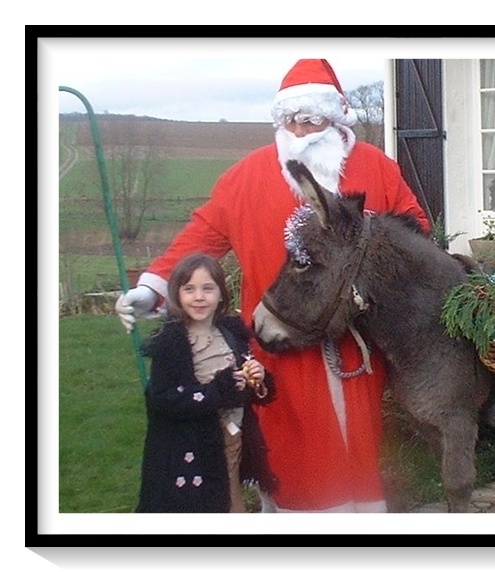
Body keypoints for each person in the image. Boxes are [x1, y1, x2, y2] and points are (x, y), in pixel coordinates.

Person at [117, 59, 431, 513]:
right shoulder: (247, 175)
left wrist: (371, 243)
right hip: (277, 343)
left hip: (355, 342)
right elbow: (202, 235)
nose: (300, 130)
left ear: (333, 117)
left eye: (310, 119)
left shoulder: (377, 168)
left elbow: (414, 231)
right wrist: (153, 288)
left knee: (359, 446)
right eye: (290, 119)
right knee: (290, 453)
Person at [135, 253, 277, 513]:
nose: (199, 297)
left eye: (207, 289)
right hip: (192, 448)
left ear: (221, 294)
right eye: (189, 289)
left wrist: (256, 378)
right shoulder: (171, 344)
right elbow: (163, 400)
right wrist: (218, 390)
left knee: (230, 499)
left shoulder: (231, 334)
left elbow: (242, 388)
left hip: (231, 439)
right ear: (177, 295)